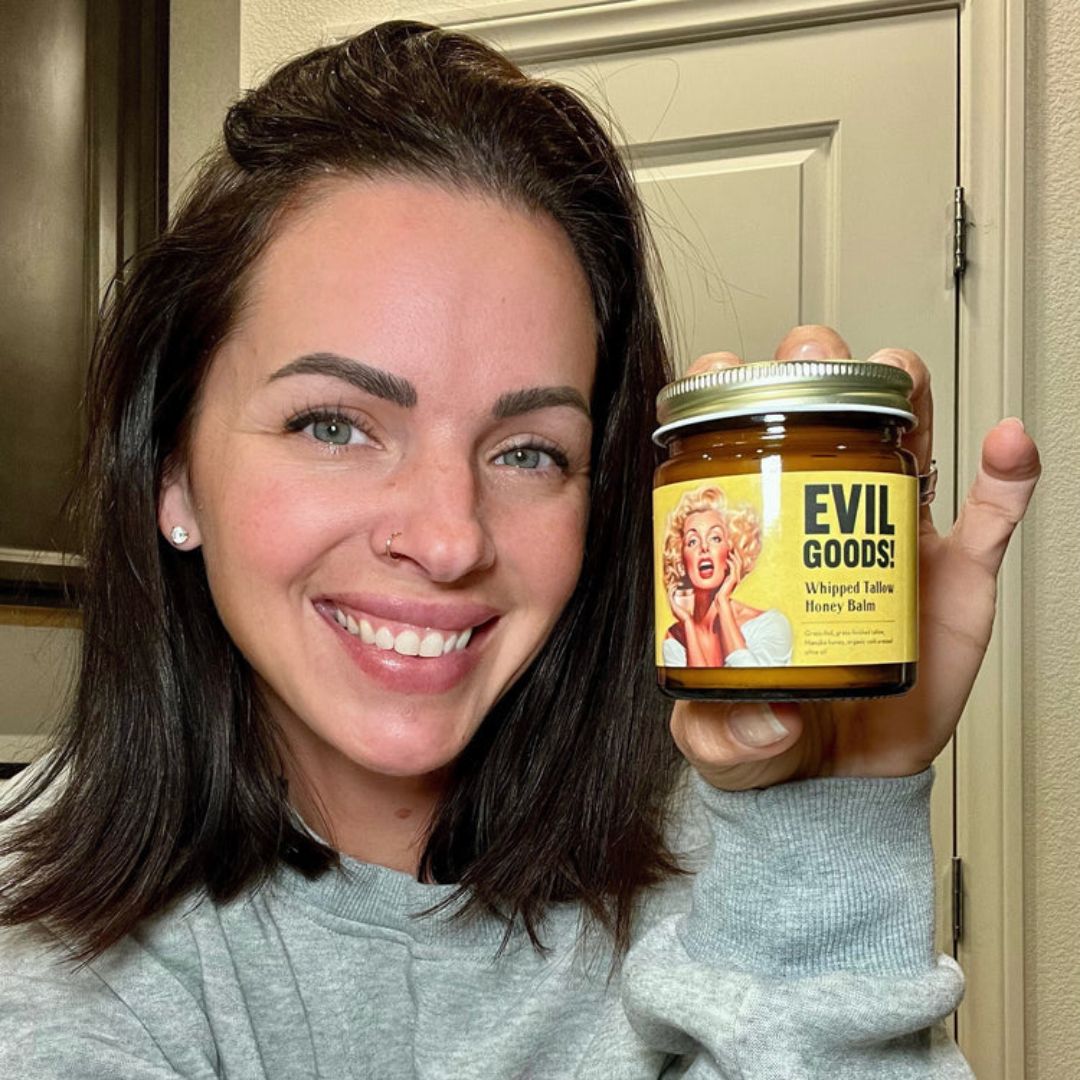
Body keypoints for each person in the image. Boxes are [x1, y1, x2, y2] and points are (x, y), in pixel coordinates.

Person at [0, 20, 1039, 1078]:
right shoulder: (38, 963)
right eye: (334, 426)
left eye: (530, 452)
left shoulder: (731, 843)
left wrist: (831, 817)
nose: (449, 538)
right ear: (173, 471)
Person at [661, 485, 793, 668]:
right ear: (682, 561)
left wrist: (722, 602)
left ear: (731, 553)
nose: (704, 547)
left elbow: (751, 680)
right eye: (692, 541)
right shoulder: (675, 639)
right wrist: (688, 625)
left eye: (715, 538)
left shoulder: (770, 625)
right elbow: (695, 685)